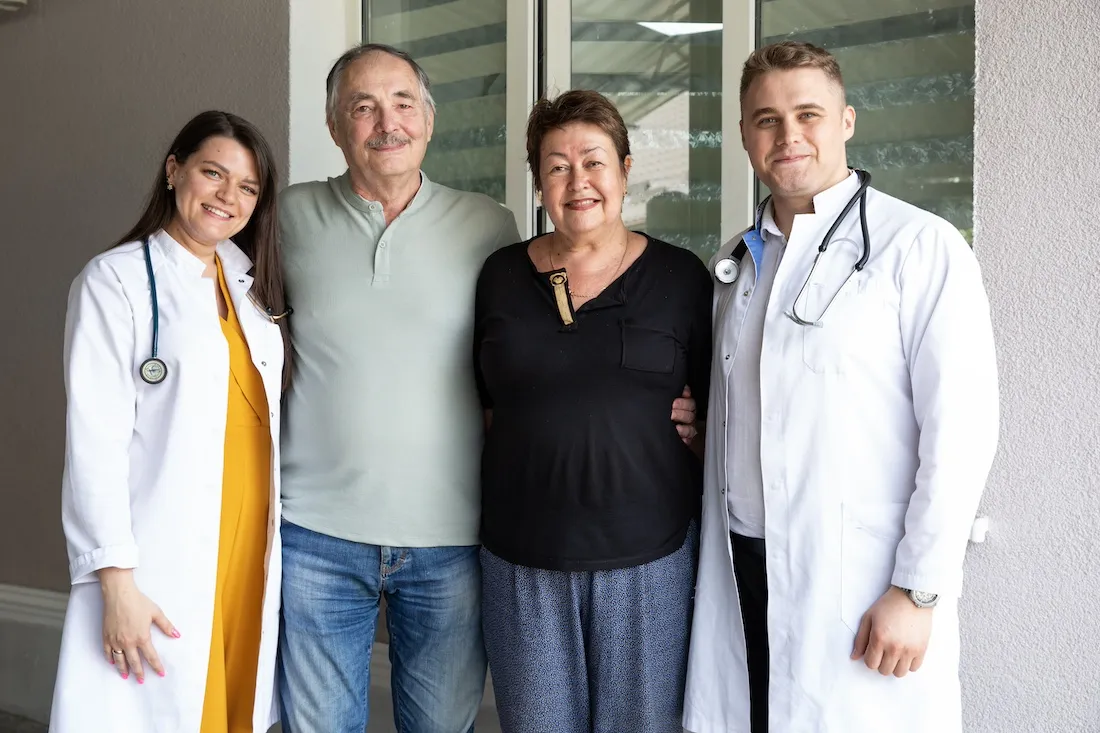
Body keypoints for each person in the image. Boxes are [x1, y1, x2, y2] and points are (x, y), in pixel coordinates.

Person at [276, 45, 698, 733]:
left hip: (482, 540)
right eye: (363, 106)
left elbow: (716, 386)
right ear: (334, 126)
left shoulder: (497, 233)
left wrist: (700, 423)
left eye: (403, 102)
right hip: (339, 535)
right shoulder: (288, 220)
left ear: (430, 118)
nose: (387, 121)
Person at [683, 41, 1000, 733]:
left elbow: (962, 431)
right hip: (743, 566)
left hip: (859, 577)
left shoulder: (919, 245)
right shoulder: (736, 263)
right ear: (744, 135)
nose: (787, 136)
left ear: (847, 121)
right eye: (766, 119)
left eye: (808, 114)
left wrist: (918, 589)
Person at [473, 89, 712, 733]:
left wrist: (699, 431)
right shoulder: (499, 277)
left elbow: (720, 409)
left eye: (594, 162)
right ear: (538, 183)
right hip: (522, 562)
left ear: (625, 170)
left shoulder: (682, 279)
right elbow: (485, 407)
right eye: (557, 166)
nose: (577, 181)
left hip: (650, 562)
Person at [49, 110, 292, 733]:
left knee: (231, 703)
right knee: (159, 705)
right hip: (163, 549)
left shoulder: (249, 284)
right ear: (173, 170)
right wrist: (117, 583)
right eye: (213, 173)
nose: (227, 196)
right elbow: (94, 443)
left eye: (247, 187)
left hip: (248, 544)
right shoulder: (116, 279)